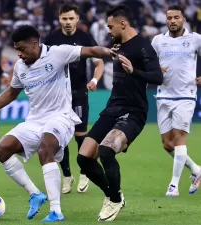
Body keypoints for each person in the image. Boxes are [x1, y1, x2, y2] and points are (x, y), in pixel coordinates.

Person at [0, 25, 115, 222]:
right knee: (2, 149)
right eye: (16, 49)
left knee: (45, 149)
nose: (19, 54)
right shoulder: (20, 67)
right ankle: (35, 194)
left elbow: (91, 51)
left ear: (35, 43)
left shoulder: (58, 53)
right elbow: (10, 94)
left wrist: (112, 52)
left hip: (61, 117)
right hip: (35, 120)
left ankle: (56, 211)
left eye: (22, 49)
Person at [77, 5, 163, 222]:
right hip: (112, 108)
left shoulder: (143, 46)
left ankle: (114, 202)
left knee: (106, 151)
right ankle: (113, 195)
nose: (108, 30)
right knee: (83, 158)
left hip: (134, 112)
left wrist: (135, 71)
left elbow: (157, 77)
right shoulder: (116, 46)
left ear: (123, 24)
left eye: (110, 26)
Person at [45, 3, 104, 194]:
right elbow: (42, 63)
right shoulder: (52, 38)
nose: (68, 22)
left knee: (80, 136)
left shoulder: (85, 37)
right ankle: (67, 176)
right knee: (59, 137)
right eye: (64, 18)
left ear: (77, 19)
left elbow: (99, 62)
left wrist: (95, 80)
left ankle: (85, 171)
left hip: (79, 92)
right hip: (57, 95)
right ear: (59, 19)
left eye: (71, 18)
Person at [151, 5, 201, 197]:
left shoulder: (195, 39)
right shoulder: (157, 41)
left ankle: (173, 186)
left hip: (186, 95)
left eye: (176, 17)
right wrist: (155, 71)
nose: (172, 21)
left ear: (183, 20)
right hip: (163, 95)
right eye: (169, 18)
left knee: (179, 138)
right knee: (167, 144)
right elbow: (149, 63)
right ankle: (196, 170)